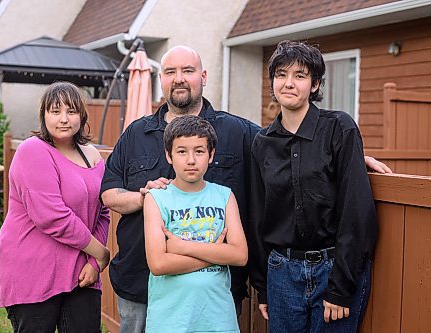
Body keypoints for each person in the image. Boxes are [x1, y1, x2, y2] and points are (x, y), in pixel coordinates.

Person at [101, 45, 390, 333]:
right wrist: (143, 197)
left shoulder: (239, 132)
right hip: (141, 283)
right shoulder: (135, 134)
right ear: (159, 78)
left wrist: (349, 155)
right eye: (170, 72)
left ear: (203, 76)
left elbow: (294, 150)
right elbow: (109, 193)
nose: (179, 78)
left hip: (221, 292)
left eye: (187, 71)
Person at [249, 40, 378, 332]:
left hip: (333, 269)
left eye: (300, 75)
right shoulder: (262, 143)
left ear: (315, 83)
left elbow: (356, 211)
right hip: (281, 273)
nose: (289, 83)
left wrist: (341, 286)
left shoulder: (339, 129)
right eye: (281, 75)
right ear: (272, 82)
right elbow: (258, 217)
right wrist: (263, 286)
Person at [0, 81, 111, 333]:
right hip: (33, 270)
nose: (63, 119)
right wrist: (101, 252)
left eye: (71, 111)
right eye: (55, 111)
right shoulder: (33, 151)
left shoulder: (91, 155)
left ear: (82, 115)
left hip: (81, 271)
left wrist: (93, 262)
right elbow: (52, 216)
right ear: (43, 115)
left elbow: (102, 211)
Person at [144, 115, 247, 332]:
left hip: (217, 320)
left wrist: (182, 248)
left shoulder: (225, 196)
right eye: (182, 151)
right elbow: (158, 264)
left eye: (199, 151)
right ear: (169, 155)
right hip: (171, 321)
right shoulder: (156, 199)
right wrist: (216, 254)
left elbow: (239, 255)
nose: (191, 160)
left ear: (211, 155)